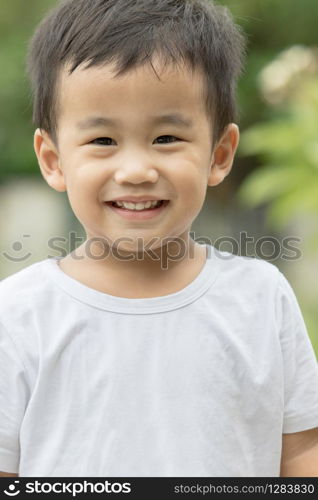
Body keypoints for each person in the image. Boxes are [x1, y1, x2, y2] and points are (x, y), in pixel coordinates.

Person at [0, 0, 318, 479]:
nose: (135, 171)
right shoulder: (19, 314)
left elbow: (299, 451)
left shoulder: (261, 297)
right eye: (102, 141)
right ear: (53, 159)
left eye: (167, 138)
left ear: (219, 153)